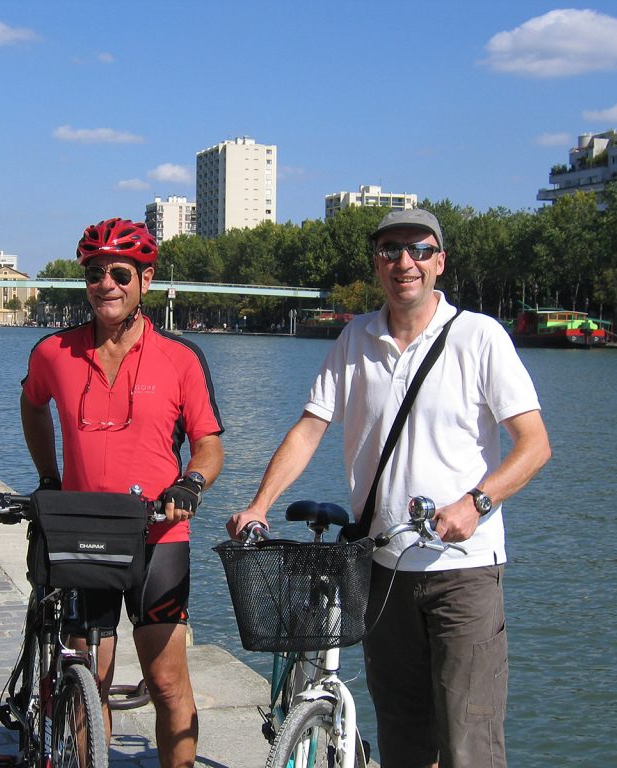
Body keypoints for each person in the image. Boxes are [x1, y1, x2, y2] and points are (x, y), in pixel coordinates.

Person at [227, 209, 552, 768]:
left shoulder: (479, 337)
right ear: (376, 264)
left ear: (440, 261)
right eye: (390, 250)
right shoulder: (356, 338)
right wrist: (259, 504)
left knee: (469, 744)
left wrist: (477, 502)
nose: (406, 262)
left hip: (464, 572)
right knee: (403, 739)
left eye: (420, 250)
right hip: (382, 569)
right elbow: (310, 428)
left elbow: (534, 445)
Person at [21, 218, 224, 768]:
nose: (105, 284)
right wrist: (49, 478)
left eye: (118, 272)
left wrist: (191, 482)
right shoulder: (53, 352)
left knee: (165, 679)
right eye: (93, 274)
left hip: (159, 535)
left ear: (145, 280)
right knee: (90, 675)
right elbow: (32, 403)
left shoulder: (180, 358)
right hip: (84, 533)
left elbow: (209, 446)